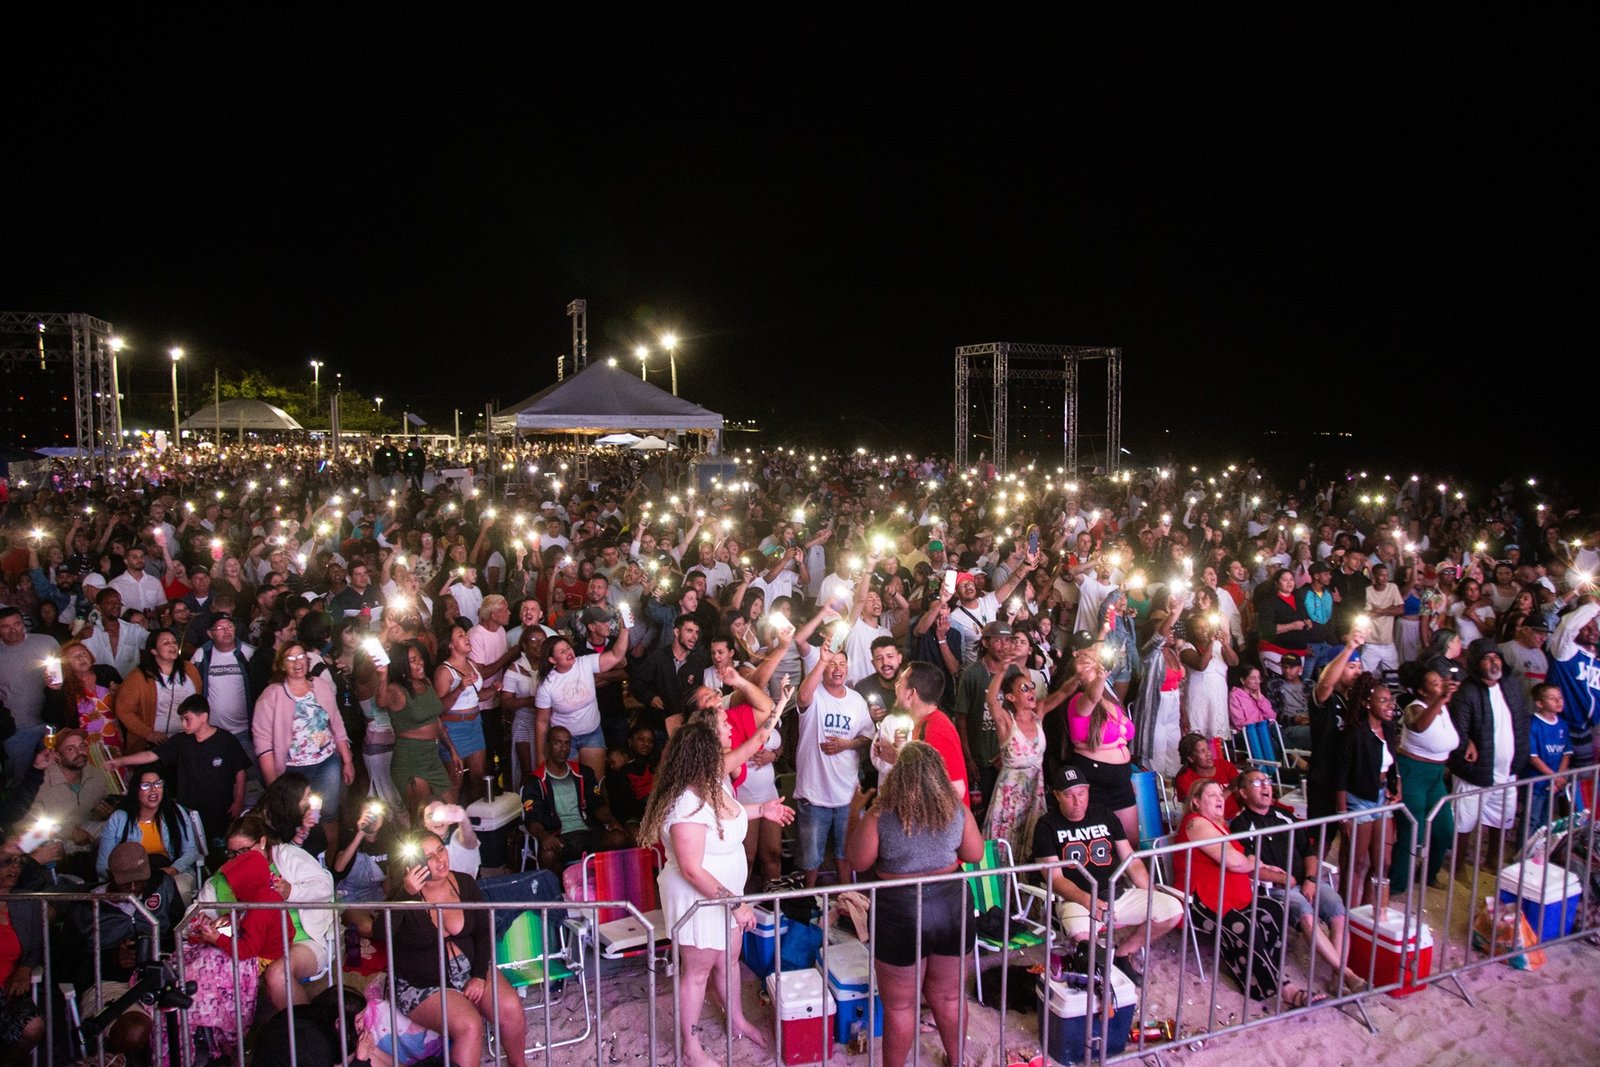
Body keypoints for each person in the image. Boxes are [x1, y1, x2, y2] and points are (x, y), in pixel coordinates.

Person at [640, 718, 794, 1067]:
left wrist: (762, 810)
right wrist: (737, 903)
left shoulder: (714, 784)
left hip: (726, 895)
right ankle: (690, 1048)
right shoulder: (684, 802)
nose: (726, 755)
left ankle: (736, 1018)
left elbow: (730, 817)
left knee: (728, 959)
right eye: (718, 752)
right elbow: (692, 868)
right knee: (697, 972)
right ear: (700, 758)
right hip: (697, 898)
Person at [844, 742, 983, 1067]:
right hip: (951, 903)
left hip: (899, 909)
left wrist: (855, 812)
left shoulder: (882, 814)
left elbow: (857, 860)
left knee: (901, 1007)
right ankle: (957, 1061)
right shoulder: (956, 809)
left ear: (898, 777)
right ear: (939, 774)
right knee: (950, 997)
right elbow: (975, 854)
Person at [385, 830, 528, 1067]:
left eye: (441, 849)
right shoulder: (401, 894)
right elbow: (381, 932)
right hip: (423, 984)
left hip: (470, 969)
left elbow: (484, 932)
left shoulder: (463, 882)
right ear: (414, 864)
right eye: (429, 856)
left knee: (511, 1007)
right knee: (469, 1025)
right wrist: (404, 895)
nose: (440, 859)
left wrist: (479, 976)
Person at [1174, 780, 1323, 1006]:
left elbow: (1248, 860)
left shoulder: (1221, 826)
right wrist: (1251, 862)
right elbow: (1235, 862)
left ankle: (1261, 972)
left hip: (1233, 894)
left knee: (1275, 910)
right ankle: (1283, 988)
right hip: (1201, 899)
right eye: (1211, 795)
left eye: (1220, 795)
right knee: (1246, 925)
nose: (1218, 799)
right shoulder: (1195, 823)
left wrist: (1257, 864)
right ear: (1196, 801)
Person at [1032, 764, 1181, 982]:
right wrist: (1087, 900)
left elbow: (1131, 860)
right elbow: (1054, 878)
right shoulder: (1046, 825)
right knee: (1083, 938)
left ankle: (1124, 952)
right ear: (1056, 795)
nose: (1077, 801)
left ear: (1088, 791)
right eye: (1069, 795)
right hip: (1077, 900)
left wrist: (1150, 889)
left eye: (1081, 793)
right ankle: (1100, 974)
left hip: (1117, 893)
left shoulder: (1104, 814)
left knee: (1172, 910)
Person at [1229, 770, 1363, 993]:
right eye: (1257, 782)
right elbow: (1248, 866)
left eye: (1267, 781)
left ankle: (1336, 978)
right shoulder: (1240, 826)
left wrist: (1310, 879)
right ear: (1243, 792)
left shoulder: (1285, 816)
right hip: (1275, 890)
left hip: (1306, 881)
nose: (1266, 786)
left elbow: (1309, 853)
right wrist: (1283, 878)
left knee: (1339, 914)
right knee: (1306, 915)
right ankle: (1346, 973)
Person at [107, 694, 250, 853]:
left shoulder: (226, 740)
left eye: (187, 719)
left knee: (221, 853)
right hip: (188, 813)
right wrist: (121, 761)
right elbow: (151, 755)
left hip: (221, 812)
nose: (183, 724)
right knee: (190, 853)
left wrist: (238, 801)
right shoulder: (180, 741)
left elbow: (240, 771)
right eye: (181, 719)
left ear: (203, 717)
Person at [253, 641, 356, 857]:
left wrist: (346, 759)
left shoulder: (320, 685)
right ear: (281, 664)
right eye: (290, 658)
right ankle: (300, 867)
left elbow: (335, 722)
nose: (297, 662)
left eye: (301, 657)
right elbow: (262, 740)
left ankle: (328, 870)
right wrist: (273, 782)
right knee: (295, 818)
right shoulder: (272, 694)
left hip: (326, 762)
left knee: (328, 815)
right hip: (292, 770)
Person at [1448, 637, 1531, 877]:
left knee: (1502, 818)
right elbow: (1457, 728)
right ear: (1476, 664)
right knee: (1464, 821)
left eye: (1496, 657)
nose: (1494, 663)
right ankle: (1458, 867)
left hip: (1508, 769)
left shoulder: (1511, 686)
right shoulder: (1467, 692)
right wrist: (1466, 745)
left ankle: (1493, 861)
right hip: (1476, 771)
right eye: (1486, 658)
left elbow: (1522, 720)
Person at [795, 647, 876, 886]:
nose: (837, 668)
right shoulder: (815, 693)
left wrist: (847, 743)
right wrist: (821, 661)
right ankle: (806, 902)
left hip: (847, 794)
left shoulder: (856, 700)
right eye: (832, 663)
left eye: (842, 663)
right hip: (813, 793)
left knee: (846, 856)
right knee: (810, 861)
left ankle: (846, 902)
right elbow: (801, 698)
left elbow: (868, 738)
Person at [1391, 659, 1461, 893]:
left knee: (1444, 830)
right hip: (1413, 773)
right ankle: (1397, 884)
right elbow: (1418, 726)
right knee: (1413, 832)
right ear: (1422, 690)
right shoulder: (1415, 707)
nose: (1441, 686)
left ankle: (1428, 874)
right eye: (1434, 683)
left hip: (1436, 775)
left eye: (1441, 682)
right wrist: (1441, 700)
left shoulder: (1443, 708)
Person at [520, 725, 628, 872]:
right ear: (547, 747)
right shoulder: (535, 781)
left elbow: (598, 805)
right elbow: (532, 819)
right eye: (557, 743)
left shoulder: (583, 773)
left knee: (619, 838)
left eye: (567, 743)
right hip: (559, 836)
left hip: (588, 832)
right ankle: (561, 892)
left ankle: (608, 887)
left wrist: (612, 822)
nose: (563, 748)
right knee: (548, 855)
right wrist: (544, 836)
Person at [1334, 674, 1400, 909]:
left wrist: (1397, 785)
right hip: (1358, 799)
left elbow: (1393, 764)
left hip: (1381, 796)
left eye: (1390, 700)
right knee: (1357, 862)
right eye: (1383, 701)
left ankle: (1370, 910)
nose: (1390, 705)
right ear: (1366, 704)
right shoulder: (1354, 733)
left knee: (1383, 862)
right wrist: (1343, 815)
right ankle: (1347, 915)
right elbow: (1340, 776)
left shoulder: (1389, 729)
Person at [533, 629, 631, 784]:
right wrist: (540, 756)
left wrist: (624, 630)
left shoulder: (584, 663)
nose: (568, 652)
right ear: (552, 659)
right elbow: (542, 721)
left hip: (592, 733)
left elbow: (615, 655)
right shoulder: (547, 684)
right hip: (564, 741)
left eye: (568, 648)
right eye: (562, 651)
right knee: (570, 787)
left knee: (596, 785)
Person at [1062, 649, 1139, 844]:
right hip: (1096, 780)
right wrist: (1101, 677)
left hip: (1121, 779)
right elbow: (1091, 698)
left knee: (1131, 841)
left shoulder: (1111, 700)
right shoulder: (1077, 700)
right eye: (1081, 662)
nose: (1088, 664)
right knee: (1103, 841)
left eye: (1092, 660)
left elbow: (1128, 732)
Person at [96, 767, 202, 899]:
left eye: (158, 783)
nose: (153, 789)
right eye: (146, 785)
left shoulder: (175, 812)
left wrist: (172, 870)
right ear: (136, 790)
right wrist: (126, 879)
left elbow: (191, 851)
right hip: (129, 877)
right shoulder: (119, 818)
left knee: (179, 889)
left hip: (169, 870)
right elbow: (102, 865)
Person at [382, 639, 460, 814]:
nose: (420, 662)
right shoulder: (396, 690)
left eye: (419, 658)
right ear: (401, 665)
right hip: (411, 760)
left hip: (432, 757)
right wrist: (381, 674)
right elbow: (380, 700)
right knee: (423, 816)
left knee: (450, 812)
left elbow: (436, 721)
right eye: (413, 660)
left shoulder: (425, 682)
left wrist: (452, 749)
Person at [981, 666, 1047, 862]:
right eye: (1024, 688)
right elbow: (992, 701)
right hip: (1010, 795)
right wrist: (1001, 670)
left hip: (1035, 791)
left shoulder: (1038, 717)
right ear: (1011, 697)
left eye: (1031, 687)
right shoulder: (1007, 722)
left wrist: (1078, 678)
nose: (1030, 691)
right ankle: (1000, 890)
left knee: (1033, 841)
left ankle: (1026, 890)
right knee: (1004, 842)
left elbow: (1062, 694)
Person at [113, 628, 201, 754]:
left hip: (189, 740)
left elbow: (199, 701)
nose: (172, 645)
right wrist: (148, 734)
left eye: (174, 642)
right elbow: (123, 710)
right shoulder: (138, 677)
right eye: (166, 643)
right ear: (153, 650)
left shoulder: (190, 669)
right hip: (155, 746)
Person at [434, 625, 495, 803]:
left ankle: (475, 823)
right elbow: (439, 707)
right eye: (461, 635)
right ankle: (452, 825)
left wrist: (493, 690)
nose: (467, 637)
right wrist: (460, 687)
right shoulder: (444, 671)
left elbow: (476, 696)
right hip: (454, 728)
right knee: (455, 782)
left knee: (478, 777)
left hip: (475, 724)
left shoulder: (472, 664)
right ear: (450, 645)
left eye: (466, 634)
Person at [0, 605, 60, 779]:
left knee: (53, 776)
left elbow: (65, 673)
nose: (13, 630)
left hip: (50, 723)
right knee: (18, 779)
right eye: (5, 626)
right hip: (17, 728)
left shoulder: (46, 642)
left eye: (17, 624)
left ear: (23, 623)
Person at [0, 838, 46, 1067]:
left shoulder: (24, 902)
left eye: (19, 862)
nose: (15, 868)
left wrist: (25, 966)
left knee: (33, 1025)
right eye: (7, 862)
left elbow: (35, 946)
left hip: (7, 993)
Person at [43, 639, 122, 751]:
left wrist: (119, 692)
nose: (81, 658)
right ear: (67, 664)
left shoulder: (107, 672)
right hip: (83, 743)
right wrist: (54, 691)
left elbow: (128, 701)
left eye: (83, 653)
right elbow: (50, 717)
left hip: (114, 734)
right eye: (74, 657)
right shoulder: (63, 685)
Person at [1527, 683, 1576, 831]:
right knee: (1532, 819)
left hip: (1555, 784)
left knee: (1546, 820)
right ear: (1540, 703)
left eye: (1560, 697)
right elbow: (1533, 757)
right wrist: (1555, 776)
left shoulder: (1563, 724)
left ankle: (1541, 851)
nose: (1558, 701)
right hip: (1536, 784)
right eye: (1552, 698)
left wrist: (1559, 778)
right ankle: (1524, 851)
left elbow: (1566, 753)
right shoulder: (1532, 724)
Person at [1175, 732, 1241, 819]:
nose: (1209, 754)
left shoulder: (1224, 765)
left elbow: (1240, 793)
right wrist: (1229, 789)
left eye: (1208, 749)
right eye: (1202, 751)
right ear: (1191, 758)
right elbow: (1199, 809)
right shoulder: (1184, 779)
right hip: (1209, 823)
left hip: (1237, 817)